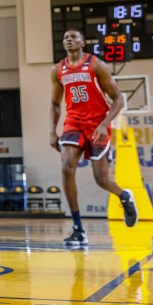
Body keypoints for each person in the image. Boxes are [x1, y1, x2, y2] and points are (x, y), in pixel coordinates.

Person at [50, 28, 138, 247]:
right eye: (65, 37)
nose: (69, 39)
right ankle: (78, 229)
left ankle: (124, 196)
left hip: (97, 124)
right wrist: (52, 130)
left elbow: (118, 99)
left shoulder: (96, 65)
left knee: (101, 179)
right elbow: (54, 104)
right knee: (66, 167)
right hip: (74, 124)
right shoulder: (58, 70)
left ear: (82, 43)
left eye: (73, 37)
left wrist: (104, 123)